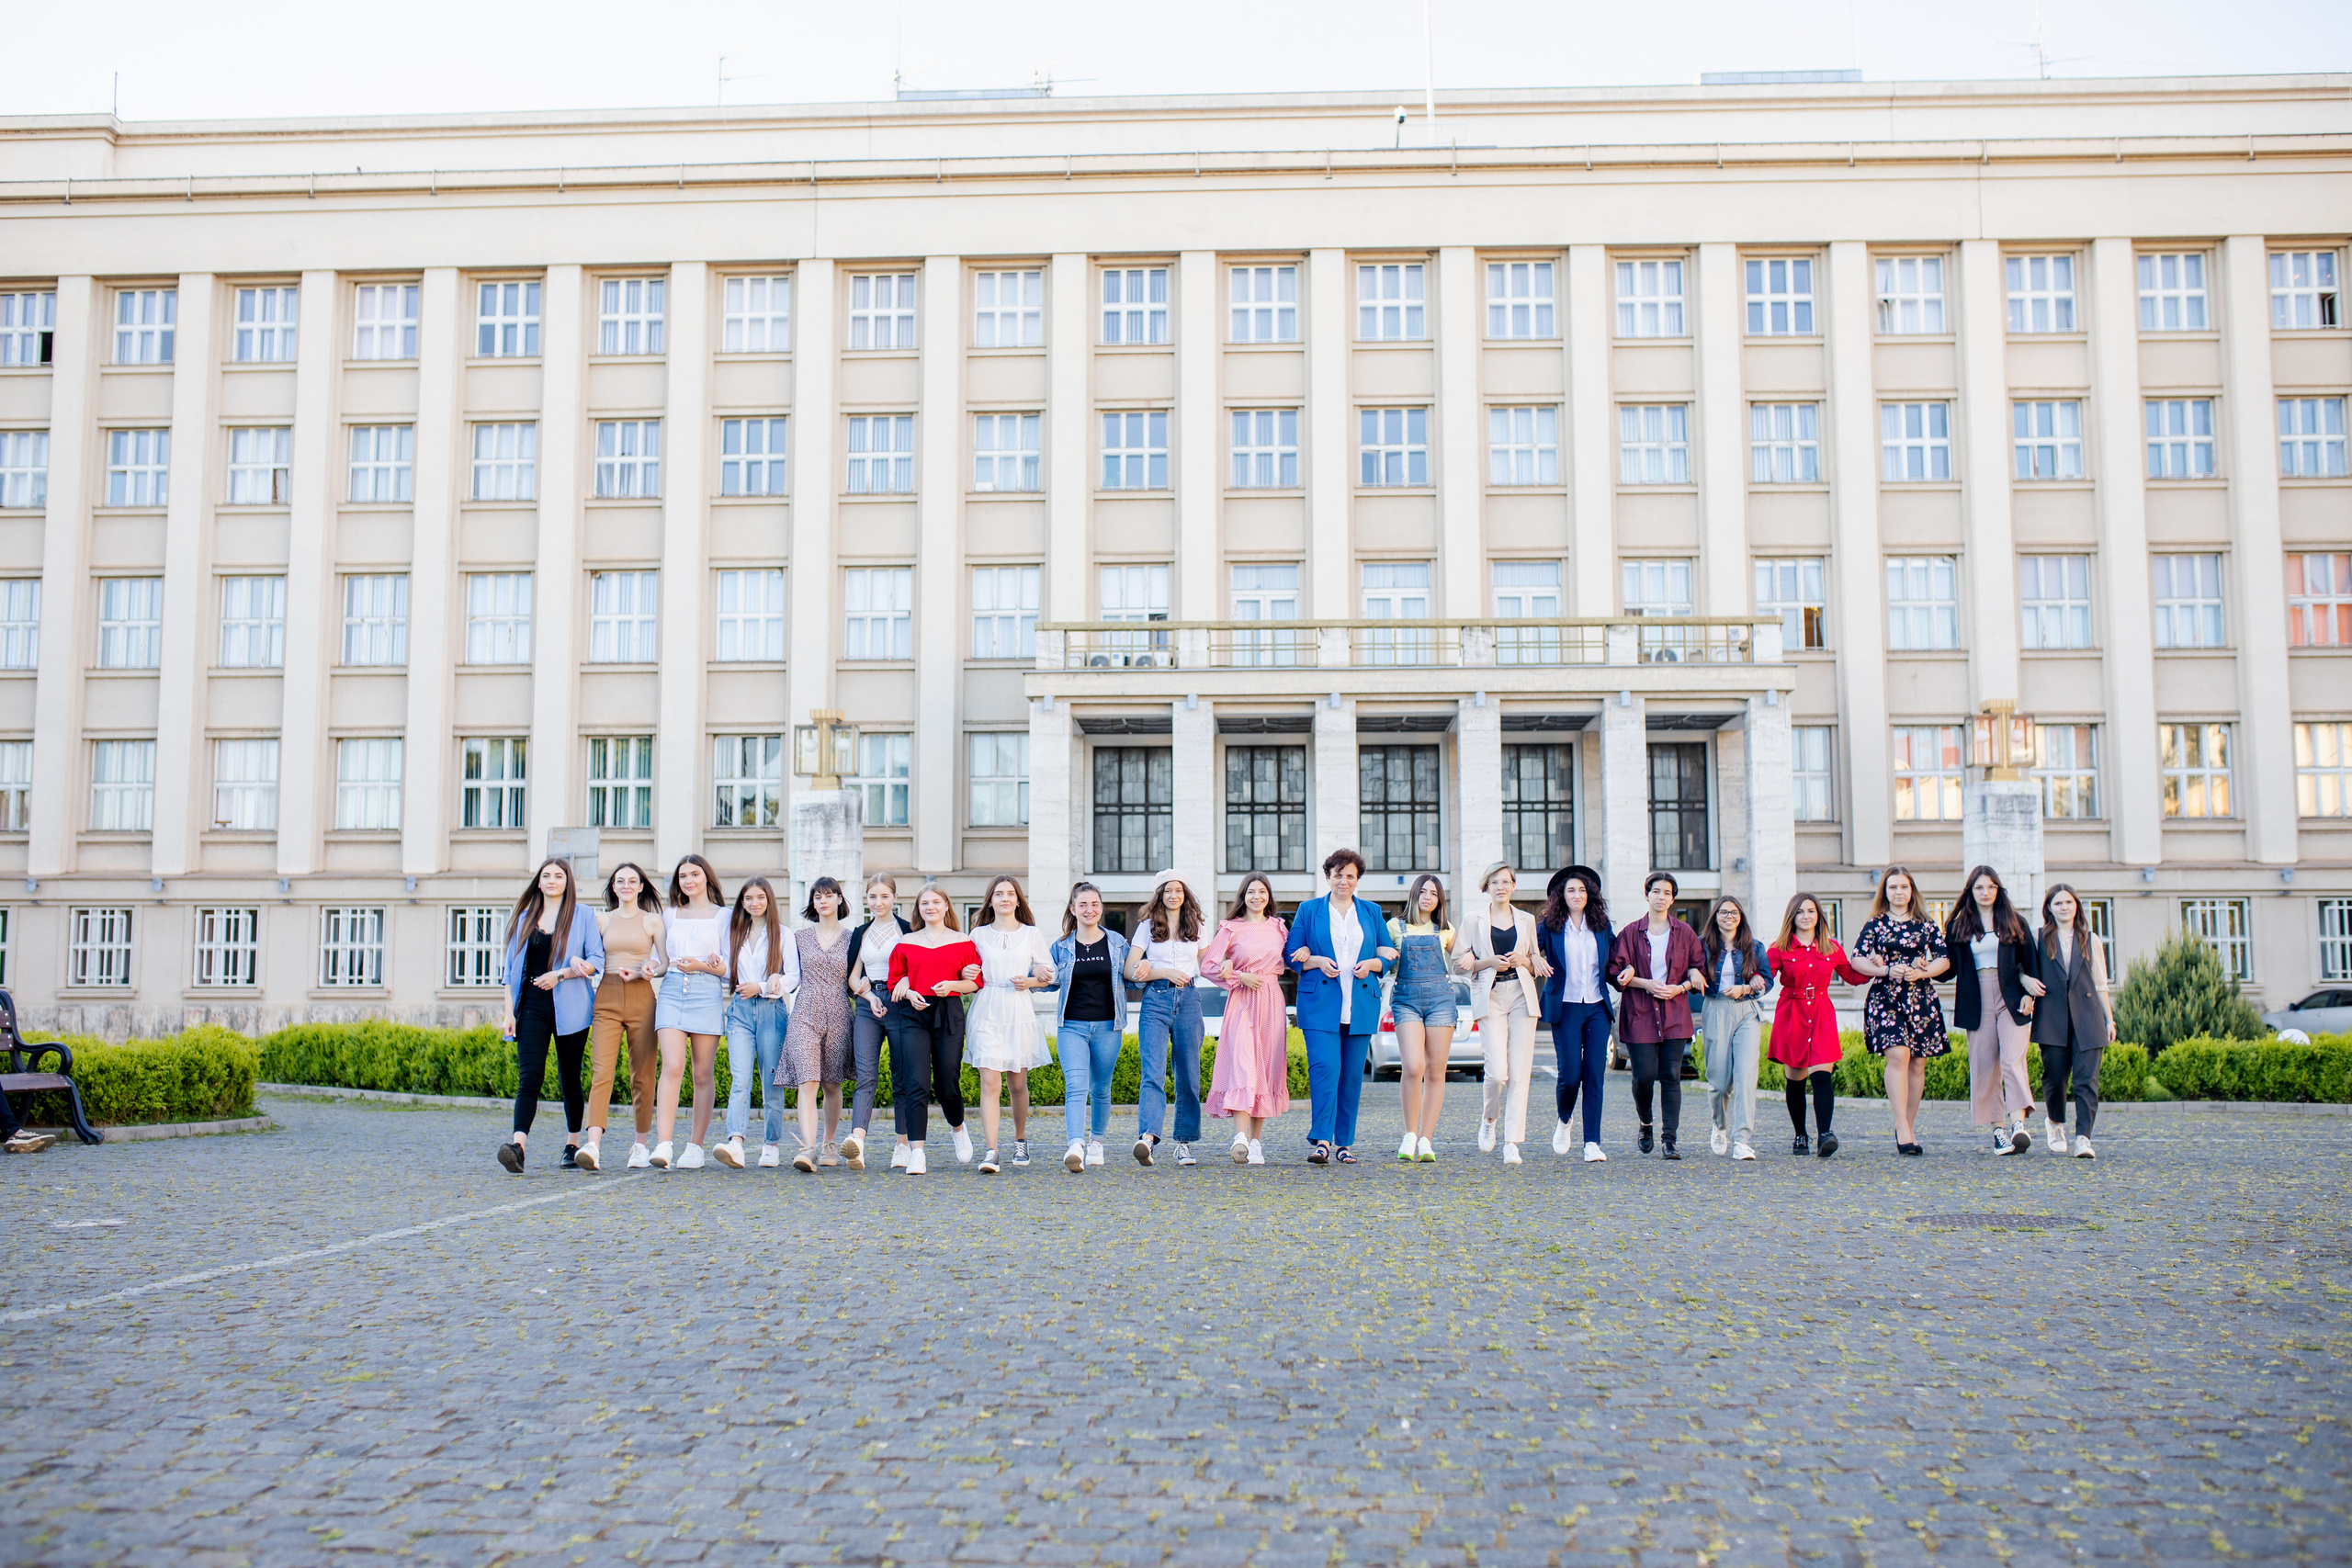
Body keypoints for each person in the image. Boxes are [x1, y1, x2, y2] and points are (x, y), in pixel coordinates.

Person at [496, 857, 606, 1175]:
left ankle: (573, 1143)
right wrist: (509, 1014)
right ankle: (518, 1146)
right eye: (546, 875)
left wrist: (561, 974)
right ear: (539, 882)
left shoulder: (583, 915)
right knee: (529, 1076)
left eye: (559, 876)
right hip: (531, 1006)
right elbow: (510, 974)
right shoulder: (525, 920)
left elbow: (596, 960)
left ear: (567, 881)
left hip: (571, 1006)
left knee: (568, 1076)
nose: (552, 880)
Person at [1287, 848, 1395, 1166]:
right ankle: (1322, 1140)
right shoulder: (1309, 910)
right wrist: (1315, 960)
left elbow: (1389, 952)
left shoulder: (1372, 912)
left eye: (1350, 876)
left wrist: (1374, 962)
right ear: (1328, 877)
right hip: (1320, 1005)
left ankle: (1344, 1143)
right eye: (1338, 875)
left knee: (1350, 1077)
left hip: (1361, 1004)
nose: (1343, 881)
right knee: (1325, 1071)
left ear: (1357, 880)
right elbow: (1290, 953)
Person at [1847, 865, 1951, 1156]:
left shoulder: (1926, 924)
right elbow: (1857, 960)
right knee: (1898, 1054)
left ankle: (1907, 1124)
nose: (1899, 892)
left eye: (1904, 886)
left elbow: (1944, 959)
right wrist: (1887, 969)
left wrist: (1924, 971)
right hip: (1886, 998)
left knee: (1918, 1062)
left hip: (1920, 998)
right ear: (1886, 891)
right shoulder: (1875, 924)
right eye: (1893, 887)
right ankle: (1902, 1127)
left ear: (1911, 890)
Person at [1608, 872, 1708, 1159]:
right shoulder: (1630, 933)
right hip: (1639, 1013)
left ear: (1672, 898)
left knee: (1670, 1076)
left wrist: (1683, 986)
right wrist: (1642, 982)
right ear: (1647, 895)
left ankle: (1669, 1140)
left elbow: (1697, 967)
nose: (1661, 897)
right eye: (1656, 892)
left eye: (1667, 892)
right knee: (1643, 1077)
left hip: (1675, 1013)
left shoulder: (1685, 933)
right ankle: (1646, 1122)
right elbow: (1615, 971)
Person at [1949, 864, 2047, 1157]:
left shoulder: (2014, 922)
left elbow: (2030, 961)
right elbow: (1949, 968)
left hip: (2012, 997)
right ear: (1971, 891)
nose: (1985, 892)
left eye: (1991, 887)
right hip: (1976, 998)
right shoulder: (1959, 926)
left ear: (1998, 890)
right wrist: (1921, 965)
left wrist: (2030, 991)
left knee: (2012, 1059)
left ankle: (2019, 1125)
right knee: (1984, 1065)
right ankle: (1998, 1131)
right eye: (1979, 887)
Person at [1456, 863, 1548, 1165]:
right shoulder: (1473, 919)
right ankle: (1489, 1120)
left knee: (1520, 1073)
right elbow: (1459, 961)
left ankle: (1512, 1142)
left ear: (1513, 886)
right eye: (1495, 882)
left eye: (1506, 882)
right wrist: (1487, 962)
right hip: (1491, 996)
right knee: (1497, 1074)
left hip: (1522, 995)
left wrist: (1525, 959)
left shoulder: (1526, 920)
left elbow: (1534, 960)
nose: (1501, 887)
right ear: (1487, 886)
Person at [884, 885, 979, 1176]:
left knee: (947, 1082)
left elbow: (975, 983)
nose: (931, 907)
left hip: (949, 1012)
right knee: (916, 1083)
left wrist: (952, 985)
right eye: (925, 903)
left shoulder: (963, 942)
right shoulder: (906, 942)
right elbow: (895, 982)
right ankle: (917, 1153)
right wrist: (909, 992)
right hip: (914, 1014)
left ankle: (958, 1128)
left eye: (936, 902)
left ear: (947, 906)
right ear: (919, 909)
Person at [966, 874, 1056, 1175]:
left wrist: (1031, 978)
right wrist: (966, 971)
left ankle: (1020, 1138)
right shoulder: (977, 935)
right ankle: (991, 1150)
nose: (1005, 898)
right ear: (990, 900)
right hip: (987, 1007)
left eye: (1010, 894)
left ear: (1018, 899)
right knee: (990, 1083)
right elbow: (967, 972)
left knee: (1017, 1083)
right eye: (999, 894)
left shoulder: (1031, 934)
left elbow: (1048, 973)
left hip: (1019, 1008)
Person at [578, 862, 666, 1172]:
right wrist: (578, 961)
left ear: (641, 886)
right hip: (608, 995)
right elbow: (590, 957)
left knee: (642, 1074)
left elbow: (664, 964)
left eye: (632, 881)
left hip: (642, 995)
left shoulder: (653, 921)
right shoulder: (600, 920)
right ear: (613, 887)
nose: (626, 885)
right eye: (620, 881)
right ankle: (593, 1145)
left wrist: (648, 968)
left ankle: (640, 1145)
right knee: (602, 1070)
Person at [1200, 871, 1290, 1165]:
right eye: (1251, 891)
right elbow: (1208, 966)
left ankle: (1255, 1144)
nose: (1257, 897)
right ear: (1243, 896)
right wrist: (1238, 975)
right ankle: (1239, 1138)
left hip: (1271, 1000)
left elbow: (1293, 959)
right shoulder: (1231, 928)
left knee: (1264, 1067)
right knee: (1242, 1064)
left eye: (1262, 892)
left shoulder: (1279, 928)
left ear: (1269, 897)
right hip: (1241, 1000)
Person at [651, 855, 730, 1170]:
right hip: (672, 990)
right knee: (672, 1065)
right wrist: (650, 967)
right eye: (683, 876)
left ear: (707, 878)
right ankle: (664, 1144)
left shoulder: (724, 916)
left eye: (694, 874)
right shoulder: (669, 915)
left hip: (706, 992)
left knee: (701, 1073)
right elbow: (660, 961)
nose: (689, 880)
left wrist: (703, 965)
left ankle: (695, 1146)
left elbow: (728, 969)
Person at [1047, 882, 1131, 1173]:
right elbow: (1048, 980)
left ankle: (1097, 1142)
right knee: (1076, 1086)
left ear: (1101, 908)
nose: (1089, 909)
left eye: (1094, 904)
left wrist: (1148, 971)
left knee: (1101, 1088)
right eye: (1082, 904)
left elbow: (1132, 978)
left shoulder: (1118, 943)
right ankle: (1075, 1145)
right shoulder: (1060, 946)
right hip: (1071, 1026)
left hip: (1109, 1026)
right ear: (1073, 909)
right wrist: (1031, 976)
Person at [715, 876, 797, 1171]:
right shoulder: (734, 932)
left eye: (760, 897)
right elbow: (727, 971)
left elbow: (793, 976)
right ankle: (736, 1142)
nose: (754, 903)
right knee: (740, 1080)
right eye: (748, 898)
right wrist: (716, 963)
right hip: (739, 1011)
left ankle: (771, 1144)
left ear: (769, 900)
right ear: (742, 903)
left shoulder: (783, 934)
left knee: (771, 1082)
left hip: (771, 1012)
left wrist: (762, 986)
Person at [1127, 870, 1206, 1168]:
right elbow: (1129, 968)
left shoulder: (1196, 925)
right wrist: (1160, 971)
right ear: (1159, 895)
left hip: (1188, 1000)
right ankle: (1147, 1138)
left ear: (1185, 895)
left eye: (1178, 890)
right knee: (1153, 1071)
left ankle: (1183, 1144)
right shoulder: (1147, 927)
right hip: (1155, 1000)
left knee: (1188, 1074)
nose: (1173, 895)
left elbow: (1207, 964)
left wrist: (1228, 965)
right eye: (1167, 890)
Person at [2031, 883, 2116, 1159]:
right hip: (2052, 1017)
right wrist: (2025, 983)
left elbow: (2101, 982)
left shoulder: (2089, 939)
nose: (2064, 907)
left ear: (2076, 905)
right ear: (2049, 908)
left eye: (2068, 902)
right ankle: (2055, 1122)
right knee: (2054, 1077)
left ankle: (2083, 1138)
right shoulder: (2039, 938)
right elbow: (2025, 971)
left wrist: (2109, 1019)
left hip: (2088, 1016)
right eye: (2058, 903)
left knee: (2086, 1080)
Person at [1537, 865, 1614, 1163]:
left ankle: (1592, 1142)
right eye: (1571, 890)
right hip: (1565, 1006)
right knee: (1570, 1076)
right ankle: (1564, 1119)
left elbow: (1616, 959)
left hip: (1596, 1006)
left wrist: (1627, 970)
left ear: (1590, 894)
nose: (1577, 894)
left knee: (1594, 1074)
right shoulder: (1550, 926)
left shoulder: (1601, 925)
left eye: (1582, 890)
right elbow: (1529, 946)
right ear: (1562, 895)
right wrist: (1533, 956)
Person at [776, 876, 854, 1171]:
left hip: (838, 1012)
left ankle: (829, 1142)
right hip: (804, 1012)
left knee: (832, 1083)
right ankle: (807, 1147)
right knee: (807, 1081)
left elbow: (857, 978)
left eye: (828, 895)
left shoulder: (851, 938)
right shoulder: (799, 938)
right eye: (817, 897)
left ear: (839, 899)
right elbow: (786, 971)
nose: (823, 901)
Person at [1767, 893, 1849, 1158]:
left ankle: (1825, 1134)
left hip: (1822, 1012)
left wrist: (1881, 967)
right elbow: (1762, 975)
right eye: (1800, 911)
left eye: (1811, 911)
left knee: (1822, 1075)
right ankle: (1800, 1133)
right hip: (1792, 1013)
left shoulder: (1832, 948)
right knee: (1796, 1079)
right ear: (1792, 916)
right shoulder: (1779, 949)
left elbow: (1853, 974)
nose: (1806, 916)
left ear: (1819, 916)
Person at [843, 874, 915, 1170]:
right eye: (873, 897)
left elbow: (918, 966)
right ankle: (857, 1142)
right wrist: (869, 995)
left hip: (900, 1003)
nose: (878, 902)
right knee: (866, 1075)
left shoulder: (908, 931)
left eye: (884, 896)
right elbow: (852, 975)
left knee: (901, 1078)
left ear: (894, 898)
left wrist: (908, 980)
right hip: (867, 1005)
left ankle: (902, 1144)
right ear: (867, 899)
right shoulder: (861, 932)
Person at [1384, 873, 1455, 1163]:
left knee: (1436, 1071)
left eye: (1434, 894)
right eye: (1423, 891)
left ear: (1439, 900)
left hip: (1441, 1001)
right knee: (1413, 1066)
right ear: (1414, 894)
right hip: (1406, 1001)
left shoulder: (1446, 930)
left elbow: (1466, 959)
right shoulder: (1394, 927)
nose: (1428, 897)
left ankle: (1426, 1139)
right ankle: (1409, 1133)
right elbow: (1381, 956)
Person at [1697, 894, 1774, 1162]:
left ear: (1741, 918)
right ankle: (1719, 1125)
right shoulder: (1702, 946)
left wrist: (1749, 985)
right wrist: (1692, 974)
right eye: (1723, 913)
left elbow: (1767, 979)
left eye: (1734, 913)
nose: (1729, 917)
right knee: (1718, 1081)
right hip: (1716, 1008)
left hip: (1747, 1011)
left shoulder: (1754, 947)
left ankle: (1742, 1140)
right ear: (1715, 917)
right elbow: (1688, 969)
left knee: (1745, 1077)